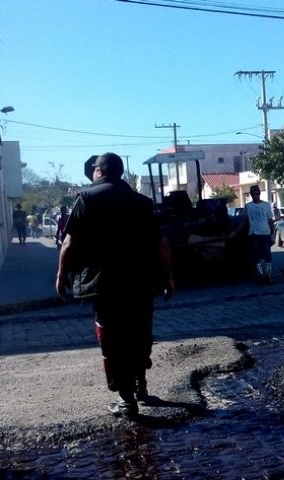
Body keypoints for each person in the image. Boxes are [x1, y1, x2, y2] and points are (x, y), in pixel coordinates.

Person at [55, 152, 175, 420]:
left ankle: (126, 399)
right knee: (140, 333)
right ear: (120, 173)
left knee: (112, 339)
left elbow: (69, 243)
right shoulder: (142, 203)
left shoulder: (86, 199)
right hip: (141, 282)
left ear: (99, 171)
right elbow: (161, 244)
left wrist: (61, 276)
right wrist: (168, 278)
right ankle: (141, 386)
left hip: (105, 285)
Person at [245, 185, 275, 284]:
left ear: (259, 194)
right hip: (253, 234)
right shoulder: (248, 206)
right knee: (256, 255)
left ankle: (269, 275)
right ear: (251, 195)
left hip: (265, 233)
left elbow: (270, 220)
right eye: (253, 194)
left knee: (267, 254)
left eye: (257, 193)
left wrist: (272, 234)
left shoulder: (266, 205)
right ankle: (261, 275)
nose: (255, 196)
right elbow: (245, 220)